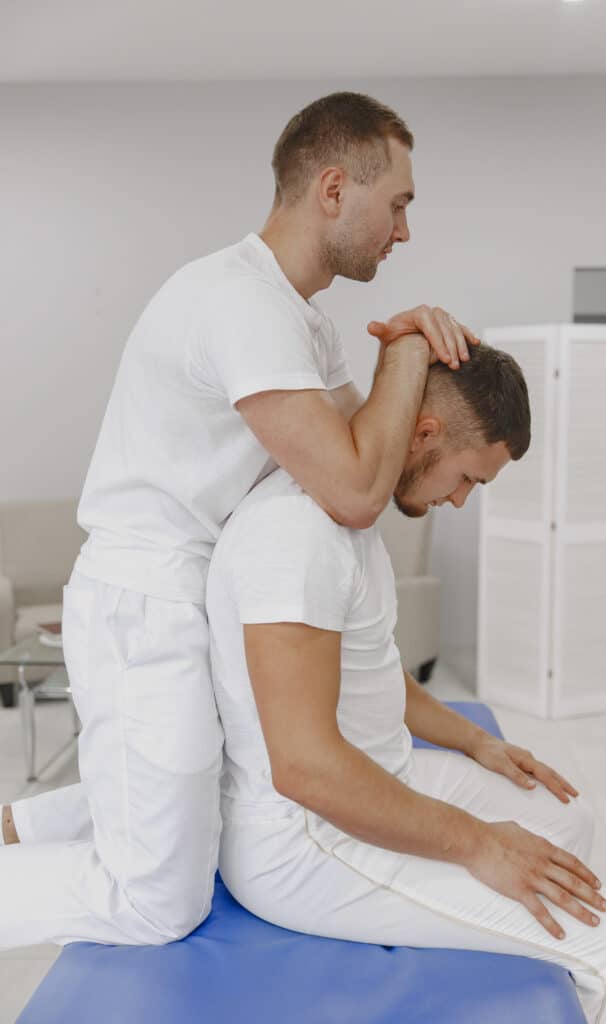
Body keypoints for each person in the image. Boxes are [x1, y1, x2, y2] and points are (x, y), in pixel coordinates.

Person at [0, 91, 478, 948]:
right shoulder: (240, 302)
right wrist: (405, 345)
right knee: (154, 901)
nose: (403, 232)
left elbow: (375, 452)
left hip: (197, 596)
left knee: (198, 796)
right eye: (397, 204)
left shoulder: (302, 322)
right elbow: (356, 491)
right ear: (334, 188)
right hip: (145, 603)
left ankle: (24, 830)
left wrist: (394, 353)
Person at [206, 343, 606, 1024]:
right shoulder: (293, 538)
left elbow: (373, 674)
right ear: (424, 434)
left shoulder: (350, 516)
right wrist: (477, 844)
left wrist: (477, 743)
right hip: (308, 839)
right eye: (468, 478)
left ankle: (509, 968)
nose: (462, 500)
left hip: (384, 777)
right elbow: (304, 771)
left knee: (566, 817)